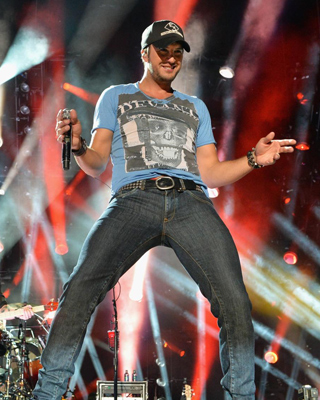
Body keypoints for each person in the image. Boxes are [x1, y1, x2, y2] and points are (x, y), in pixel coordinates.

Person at [33, 20, 296, 400]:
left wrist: (253, 159)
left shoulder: (194, 108)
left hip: (191, 201)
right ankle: (47, 392)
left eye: (177, 52)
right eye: (163, 50)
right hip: (133, 199)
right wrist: (76, 146)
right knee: (80, 289)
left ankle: (241, 395)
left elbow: (211, 173)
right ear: (145, 54)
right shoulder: (117, 97)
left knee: (234, 300)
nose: (172, 58)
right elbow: (97, 161)